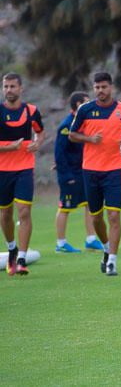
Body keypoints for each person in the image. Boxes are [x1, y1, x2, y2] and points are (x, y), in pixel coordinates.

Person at [69, 72, 121, 275]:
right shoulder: (85, 110)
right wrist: (89, 139)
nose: (100, 91)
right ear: (93, 88)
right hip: (90, 171)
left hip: (114, 170)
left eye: (104, 87)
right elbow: (72, 134)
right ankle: (106, 248)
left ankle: (112, 260)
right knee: (96, 218)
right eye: (97, 87)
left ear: (111, 87)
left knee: (114, 215)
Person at [1, 73, 45, 275]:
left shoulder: (31, 111)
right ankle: (12, 248)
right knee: (5, 214)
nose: (9, 90)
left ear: (21, 89)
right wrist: (10, 148)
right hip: (2, 170)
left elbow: (40, 131)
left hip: (25, 168)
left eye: (12, 86)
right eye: (5, 86)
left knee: (24, 212)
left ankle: (21, 259)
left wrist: (37, 142)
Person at [54, 91, 98, 253]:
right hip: (70, 176)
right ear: (78, 104)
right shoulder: (66, 126)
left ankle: (91, 239)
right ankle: (60, 243)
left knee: (89, 205)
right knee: (65, 207)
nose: (89, 105)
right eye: (86, 103)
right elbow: (60, 153)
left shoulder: (81, 123)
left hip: (83, 172)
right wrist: (66, 176)